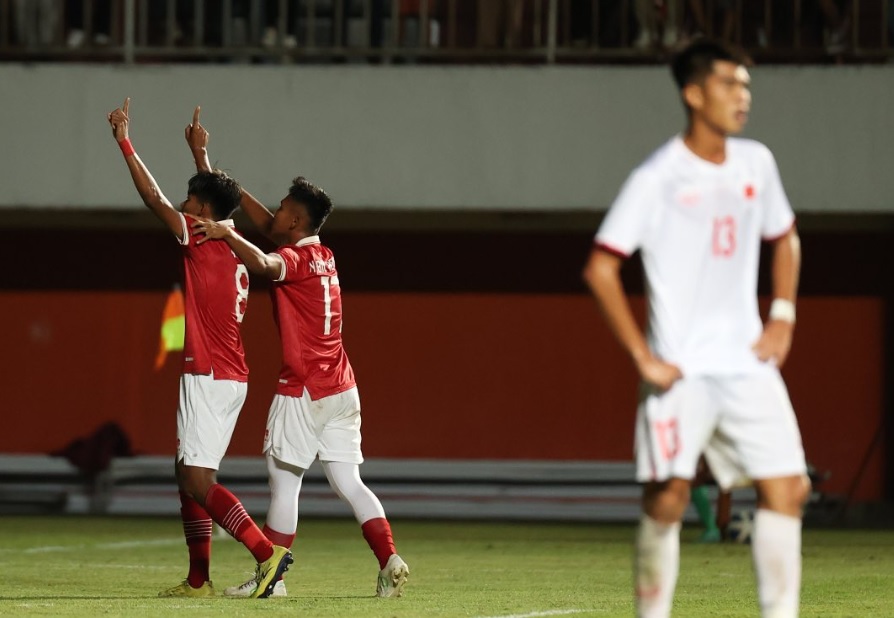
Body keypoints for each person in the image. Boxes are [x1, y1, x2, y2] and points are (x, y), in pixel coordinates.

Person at [582, 40, 810, 618]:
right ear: (693, 93)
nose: (743, 97)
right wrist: (641, 355)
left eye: (746, 86)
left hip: (746, 364)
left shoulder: (756, 162)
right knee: (669, 496)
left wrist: (781, 317)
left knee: (789, 489)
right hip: (680, 371)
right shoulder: (657, 177)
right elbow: (601, 267)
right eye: (730, 85)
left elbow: (785, 237)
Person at [185, 109, 409, 599]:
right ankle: (388, 555)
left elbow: (266, 261)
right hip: (342, 385)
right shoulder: (323, 255)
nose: (275, 211)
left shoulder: (293, 258)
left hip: (303, 388)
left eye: (283, 206)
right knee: (349, 481)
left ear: (297, 220)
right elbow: (264, 227)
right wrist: (203, 158)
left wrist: (227, 233)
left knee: (284, 484)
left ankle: (273, 580)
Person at [108, 99, 293, 599]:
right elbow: (218, 199)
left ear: (201, 211)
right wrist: (201, 156)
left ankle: (265, 553)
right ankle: (198, 580)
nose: (183, 206)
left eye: (190, 201)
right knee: (186, 475)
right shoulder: (228, 239)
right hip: (230, 374)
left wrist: (125, 142)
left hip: (209, 373)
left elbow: (153, 198)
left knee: (194, 479)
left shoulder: (198, 235)